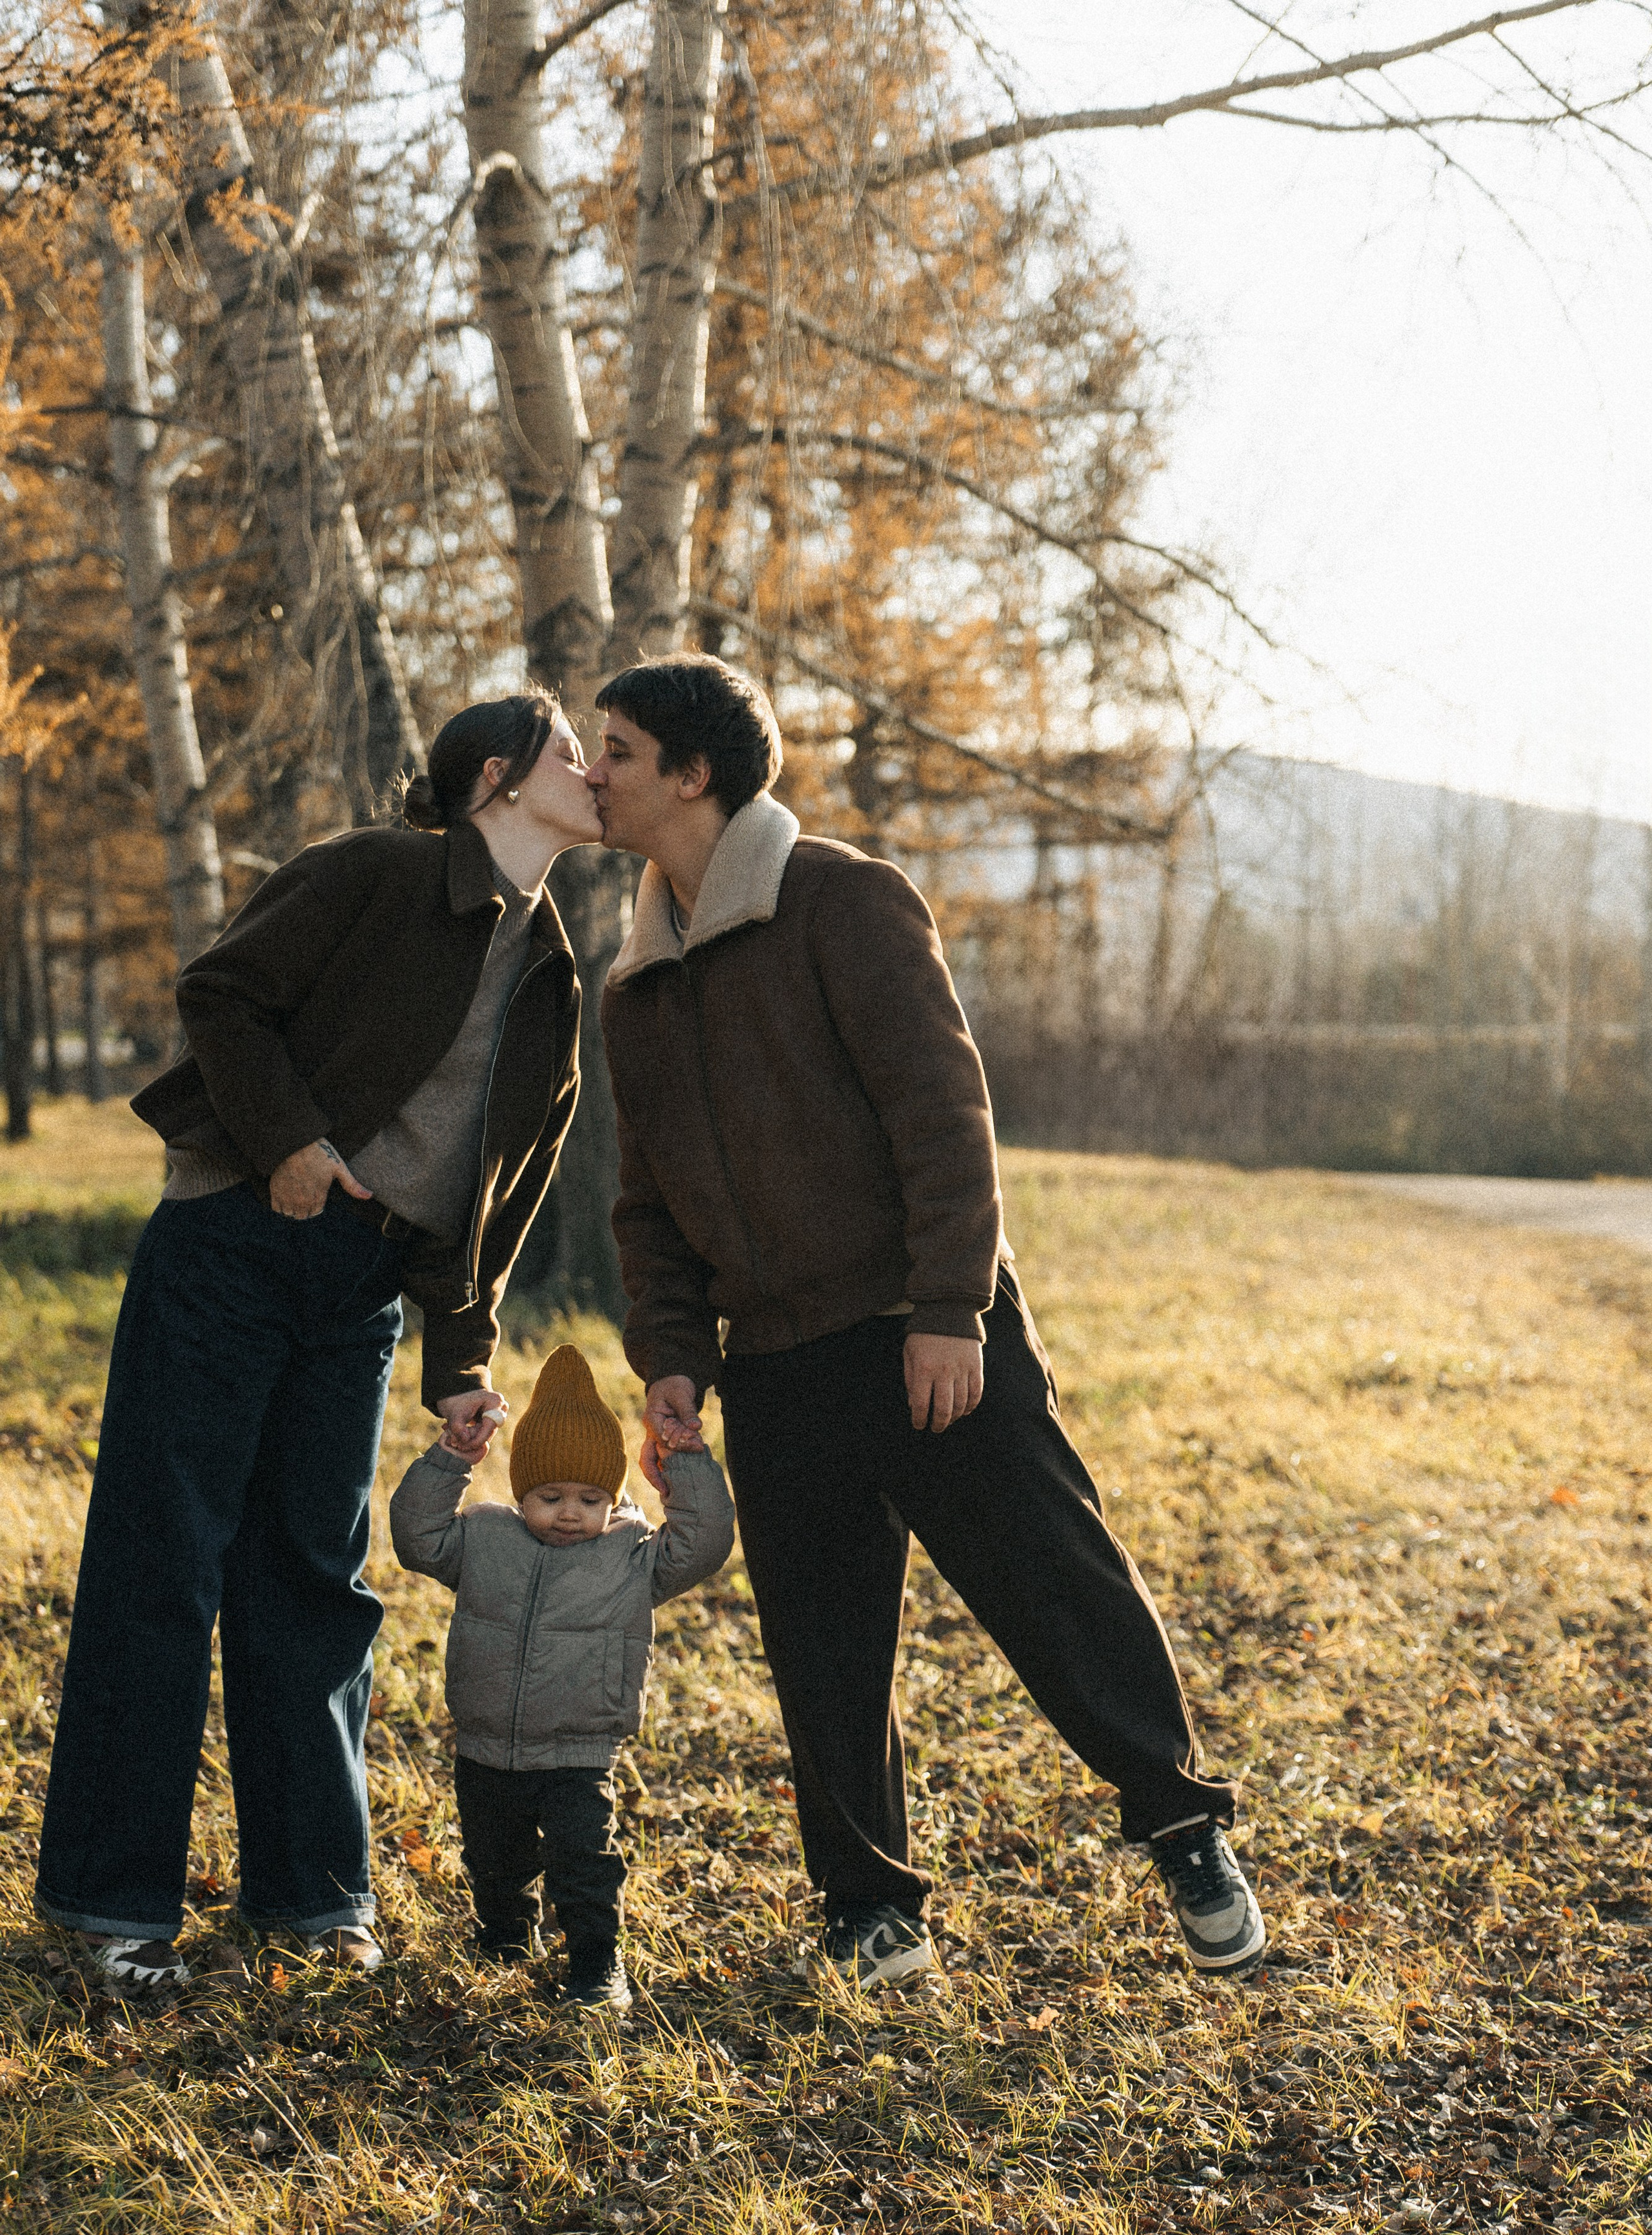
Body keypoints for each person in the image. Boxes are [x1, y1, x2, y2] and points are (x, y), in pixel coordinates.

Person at [589, 652, 1267, 1989]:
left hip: (922, 1330)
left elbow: (942, 1116)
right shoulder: (632, 985)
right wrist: (673, 1360)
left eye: (615, 750)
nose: (592, 773)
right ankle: (866, 1907)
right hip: (773, 1361)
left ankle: (1183, 1828)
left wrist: (950, 1306)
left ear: (691, 772)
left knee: (1053, 1589)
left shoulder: (842, 901)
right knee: (822, 1646)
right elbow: (646, 1205)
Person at [35, 692, 598, 1990]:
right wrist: (286, 1144)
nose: (596, 776)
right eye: (575, 753)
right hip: (234, 1236)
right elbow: (220, 995)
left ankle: (314, 1904)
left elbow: (501, 1186)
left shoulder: (555, 971)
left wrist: (460, 1362)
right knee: (163, 1560)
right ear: (499, 778)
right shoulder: (377, 872)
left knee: (315, 1577)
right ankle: (108, 1909)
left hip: (360, 1287)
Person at [389, 1342, 734, 2010]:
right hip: (486, 1745)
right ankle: (505, 1940)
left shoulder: (631, 1558)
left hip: (578, 1750)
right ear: (522, 1493)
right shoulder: (485, 1540)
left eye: (589, 1498)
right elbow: (415, 1536)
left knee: (584, 1864)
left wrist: (685, 1463)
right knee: (494, 1861)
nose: (570, 1513)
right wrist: (449, 1462)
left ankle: (596, 1966)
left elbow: (705, 1542)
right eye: (549, 1497)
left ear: (615, 1497)